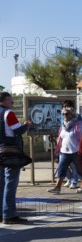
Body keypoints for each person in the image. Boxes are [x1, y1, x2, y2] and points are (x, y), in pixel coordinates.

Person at [0, 92, 30, 224]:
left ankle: (1, 214)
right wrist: (26, 124)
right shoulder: (8, 113)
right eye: (12, 102)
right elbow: (17, 130)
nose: (12, 104)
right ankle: (9, 214)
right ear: (6, 101)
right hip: (9, 151)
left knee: (1, 183)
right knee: (10, 182)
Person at [47, 106, 82, 194]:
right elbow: (60, 137)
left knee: (79, 168)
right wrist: (58, 148)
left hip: (76, 150)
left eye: (67, 114)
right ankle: (57, 187)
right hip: (64, 151)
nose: (65, 115)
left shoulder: (79, 124)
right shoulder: (63, 125)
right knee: (61, 168)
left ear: (72, 115)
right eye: (63, 114)